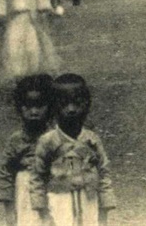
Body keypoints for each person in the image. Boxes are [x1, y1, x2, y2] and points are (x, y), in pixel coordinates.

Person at [31, 73, 117, 226]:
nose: (71, 109)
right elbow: (38, 177)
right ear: (53, 106)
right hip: (59, 202)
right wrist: (42, 212)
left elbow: (103, 172)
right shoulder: (48, 141)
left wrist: (104, 209)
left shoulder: (91, 140)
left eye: (77, 103)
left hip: (88, 200)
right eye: (63, 103)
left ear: (86, 104)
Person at [0, 73, 54, 226]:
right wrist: (8, 211)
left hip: (52, 191)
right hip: (25, 192)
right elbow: (6, 173)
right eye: (28, 106)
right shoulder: (16, 140)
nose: (34, 111)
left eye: (39, 106)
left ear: (50, 107)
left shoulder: (56, 138)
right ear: (19, 108)